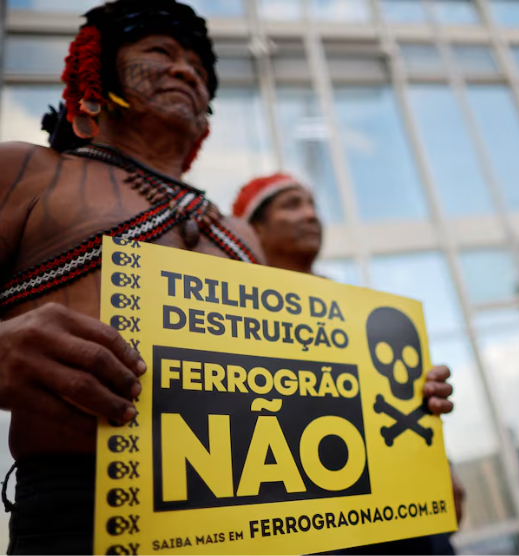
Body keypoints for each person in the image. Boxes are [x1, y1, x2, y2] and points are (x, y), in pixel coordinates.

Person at [0, 2, 452, 554]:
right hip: (83, 515)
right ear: (96, 73)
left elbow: (293, 383)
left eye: (198, 65)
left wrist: (396, 398)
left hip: (265, 518)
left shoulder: (240, 233)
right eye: (160, 52)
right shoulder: (25, 172)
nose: (187, 70)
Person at [233, 173, 464, 556]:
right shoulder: (232, 311)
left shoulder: (361, 311)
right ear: (254, 227)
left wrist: (441, 462)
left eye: (313, 205)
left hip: (405, 516)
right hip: (306, 523)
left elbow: (396, 400)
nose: (310, 215)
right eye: (292, 205)